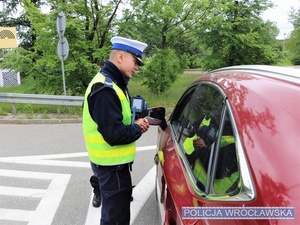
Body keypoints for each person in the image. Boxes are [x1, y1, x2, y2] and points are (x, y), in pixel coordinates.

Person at [82, 36, 150, 225]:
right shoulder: (105, 89)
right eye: (135, 61)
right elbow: (114, 134)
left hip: (110, 166)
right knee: (115, 220)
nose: (136, 67)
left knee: (114, 216)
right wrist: (137, 128)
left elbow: (117, 121)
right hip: (112, 169)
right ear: (120, 56)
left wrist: (134, 122)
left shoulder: (113, 83)